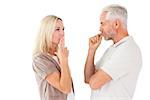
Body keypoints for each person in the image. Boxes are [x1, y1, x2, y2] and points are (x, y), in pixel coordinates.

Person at [84, 4, 142, 100]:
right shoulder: (114, 48)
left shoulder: (127, 50)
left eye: (102, 23)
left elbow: (94, 83)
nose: (100, 28)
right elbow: (88, 79)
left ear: (116, 24)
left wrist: (95, 78)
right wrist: (92, 50)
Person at [32, 15, 74, 100]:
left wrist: (62, 59)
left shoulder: (59, 55)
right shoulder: (40, 59)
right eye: (57, 29)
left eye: (63, 29)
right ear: (46, 31)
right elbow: (66, 88)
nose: (62, 33)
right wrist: (64, 60)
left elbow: (69, 86)